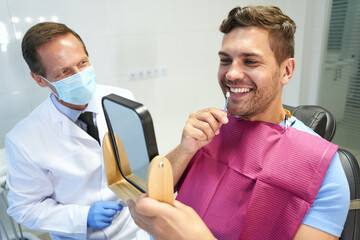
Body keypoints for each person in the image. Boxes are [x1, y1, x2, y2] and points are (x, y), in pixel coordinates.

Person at [128, 6, 350, 240]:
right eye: (226, 60)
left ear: (286, 71)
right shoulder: (209, 132)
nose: (231, 74)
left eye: (250, 61)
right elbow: (150, 189)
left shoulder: (325, 171)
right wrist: (185, 150)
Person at [5, 22, 140, 239]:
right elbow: (24, 208)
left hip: (134, 228)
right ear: (39, 79)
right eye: (64, 72)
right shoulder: (23, 139)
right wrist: (82, 216)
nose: (79, 75)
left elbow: (139, 163)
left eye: (83, 63)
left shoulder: (122, 100)